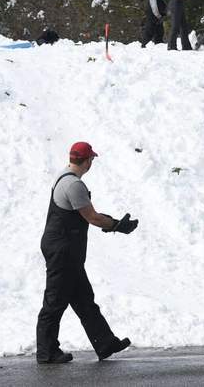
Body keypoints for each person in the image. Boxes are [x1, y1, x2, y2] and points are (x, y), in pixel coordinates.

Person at [36, 142, 138, 364]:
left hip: (65, 250)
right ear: (88, 161)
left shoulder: (63, 177)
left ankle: (105, 343)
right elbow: (92, 217)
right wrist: (117, 225)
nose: (92, 161)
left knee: (83, 299)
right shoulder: (74, 186)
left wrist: (114, 223)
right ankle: (46, 352)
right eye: (91, 158)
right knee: (54, 302)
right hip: (62, 251)